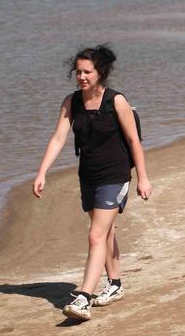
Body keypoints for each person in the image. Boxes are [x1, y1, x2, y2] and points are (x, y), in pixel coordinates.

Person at [33, 46, 152, 321]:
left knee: (95, 235)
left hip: (116, 175)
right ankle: (115, 284)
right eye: (78, 71)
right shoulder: (71, 102)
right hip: (88, 175)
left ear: (101, 73)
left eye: (87, 72)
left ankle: (84, 297)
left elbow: (134, 141)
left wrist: (143, 178)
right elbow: (58, 138)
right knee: (106, 232)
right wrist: (42, 172)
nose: (82, 77)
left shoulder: (116, 101)